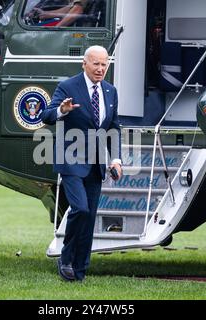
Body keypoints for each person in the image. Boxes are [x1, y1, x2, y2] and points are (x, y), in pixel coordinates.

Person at [41, 45, 123, 281]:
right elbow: (46, 115)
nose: (100, 69)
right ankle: (65, 259)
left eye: (104, 64)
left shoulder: (110, 91)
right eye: (96, 64)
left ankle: (80, 269)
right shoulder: (68, 86)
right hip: (70, 160)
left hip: (97, 164)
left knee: (89, 217)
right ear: (84, 64)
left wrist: (116, 159)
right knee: (80, 209)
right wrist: (61, 110)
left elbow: (113, 128)